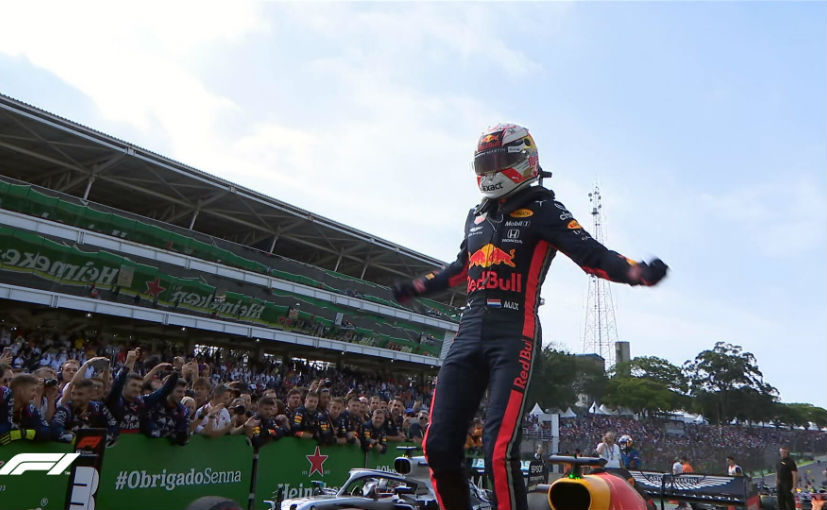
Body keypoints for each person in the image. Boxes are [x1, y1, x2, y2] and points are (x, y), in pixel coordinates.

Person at [393, 123, 667, 510]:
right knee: (437, 446)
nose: (491, 171)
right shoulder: (475, 215)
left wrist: (636, 272)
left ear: (526, 160)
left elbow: (592, 254)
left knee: (499, 451)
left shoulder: (544, 209)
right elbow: (458, 268)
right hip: (468, 333)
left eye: (501, 161)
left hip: (513, 333)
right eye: (485, 162)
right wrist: (418, 286)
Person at [776, 446, 798, 510]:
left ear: (787, 452)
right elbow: (777, 473)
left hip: (788, 484)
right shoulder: (778, 461)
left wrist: (794, 487)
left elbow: (795, 474)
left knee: (789, 501)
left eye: (784, 452)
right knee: (780, 501)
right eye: (781, 452)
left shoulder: (790, 461)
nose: (782, 453)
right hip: (780, 484)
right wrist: (777, 483)